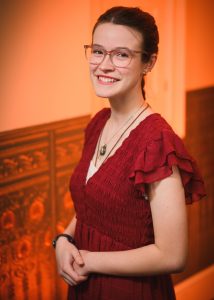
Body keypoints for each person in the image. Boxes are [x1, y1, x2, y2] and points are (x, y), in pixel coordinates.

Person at [54, 6, 206, 300]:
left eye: (121, 54)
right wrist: (63, 239)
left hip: (130, 291)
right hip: (86, 286)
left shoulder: (157, 144)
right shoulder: (98, 124)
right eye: (98, 51)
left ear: (148, 63)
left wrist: (87, 259)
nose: (104, 65)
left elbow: (173, 255)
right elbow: (91, 208)